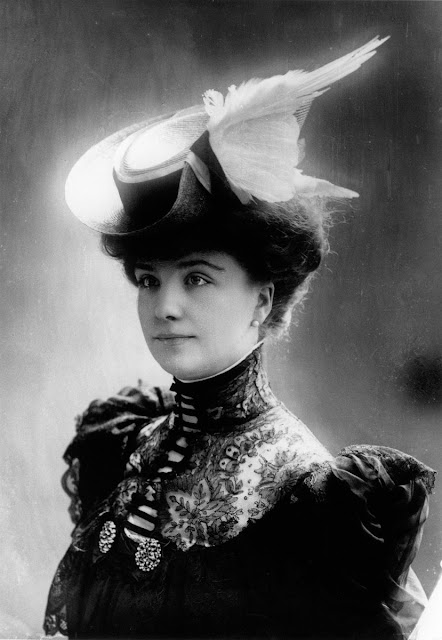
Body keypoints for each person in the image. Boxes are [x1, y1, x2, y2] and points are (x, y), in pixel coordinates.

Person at [44, 37, 436, 639]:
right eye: (149, 279)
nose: (165, 306)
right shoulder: (127, 443)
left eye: (197, 277)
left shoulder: (312, 504)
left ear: (262, 299)